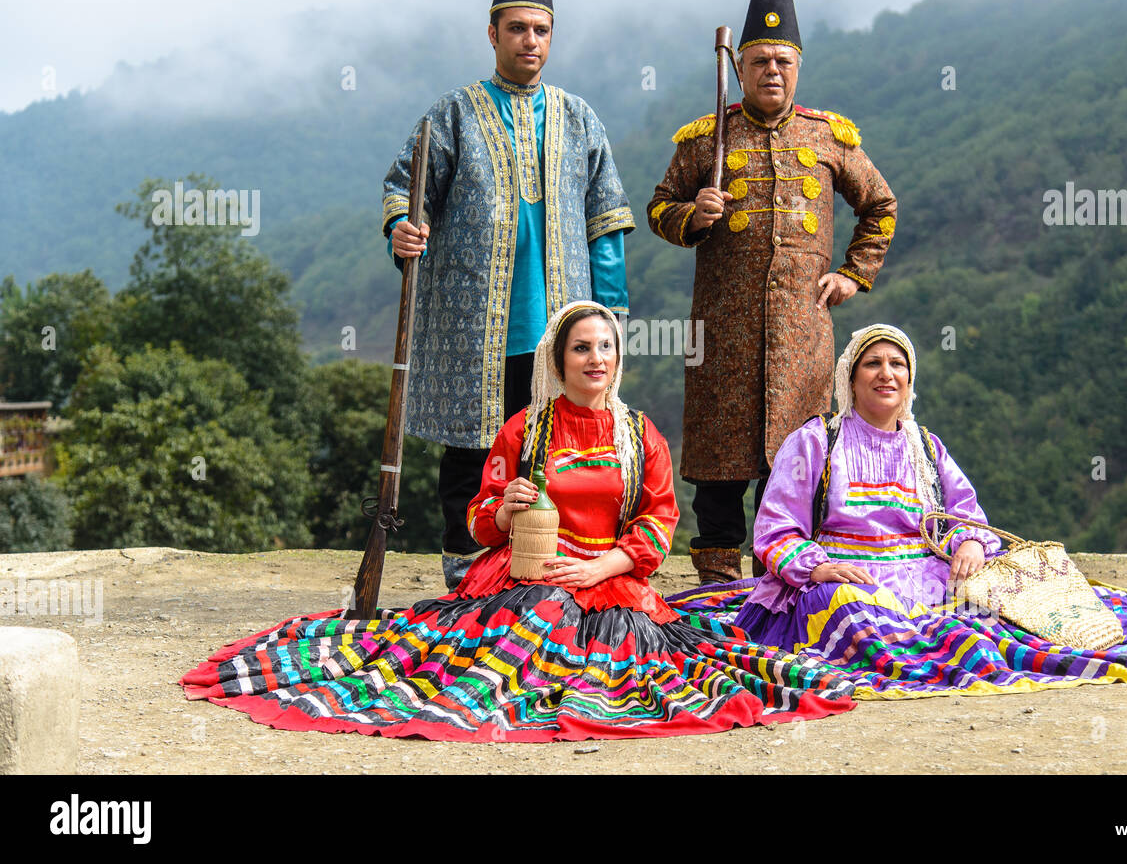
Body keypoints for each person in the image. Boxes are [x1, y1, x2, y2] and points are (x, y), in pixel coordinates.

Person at [180, 303, 855, 741]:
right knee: (516, 631)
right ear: (558, 360)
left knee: (649, 668)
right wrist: (501, 511)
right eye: (581, 348)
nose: (596, 359)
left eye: (606, 348)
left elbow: (657, 522)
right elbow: (478, 520)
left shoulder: (638, 433)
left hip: (611, 581)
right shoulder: (526, 429)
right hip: (522, 577)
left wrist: (600, 565)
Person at [670, 324, 1127, 698]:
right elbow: (776, 528)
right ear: (850, 379)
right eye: (873, 364)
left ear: (910, 381)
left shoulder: (926, 447)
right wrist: (816, 567)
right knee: (850, 612)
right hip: (842, 573)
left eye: (897, 365)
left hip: (923, 572)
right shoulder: (816, 442)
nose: (887, 374)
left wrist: (971, 547)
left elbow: (962, 513)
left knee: (984, 621)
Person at [382, 0, 635, 590]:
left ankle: (539, 570)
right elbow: (404, 189)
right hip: (474, 324)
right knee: (472, 449)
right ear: (492, 32)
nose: (530, 40)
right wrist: (403, 229)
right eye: (518, 28)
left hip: (559, 324)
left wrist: (612, 315)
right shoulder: (452, 116)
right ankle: (466, 569)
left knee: (550, 451)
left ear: (553, 37)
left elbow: (607, 222)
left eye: (541, 29)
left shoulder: (580, 120)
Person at [647, 0, 897, 585]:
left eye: (783, 61)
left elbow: (880, 206)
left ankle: (780, 587)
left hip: (802, 340)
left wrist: (851, 274)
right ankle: (716, 596)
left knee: (794, 473)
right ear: (738, 66)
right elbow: (658, 208)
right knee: (718, 476)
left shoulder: (830, 138)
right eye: (759, 61)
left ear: (798, 66)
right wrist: (691, 217)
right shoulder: (705, 139)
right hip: (721, 340)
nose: (772, 72)